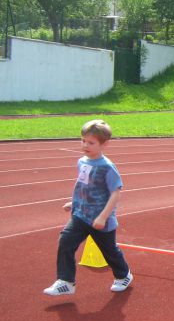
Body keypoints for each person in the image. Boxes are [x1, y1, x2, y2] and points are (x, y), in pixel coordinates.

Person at [43, 120, 132, 296]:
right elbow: (83, 186)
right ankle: (66, 281)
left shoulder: (107, 167)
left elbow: (116, 194)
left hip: (100, 220)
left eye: (91, 142)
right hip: (80, 215)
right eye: (83, 140)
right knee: (66, 241)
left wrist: (103, 217)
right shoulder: (82, 162)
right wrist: (74, 202)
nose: (85, 145)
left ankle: (124, 275)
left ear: (104, 144)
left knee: (109, 251)